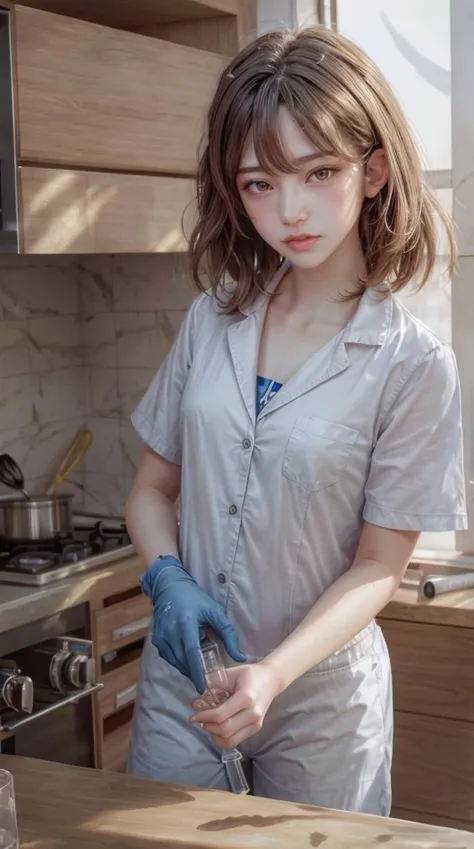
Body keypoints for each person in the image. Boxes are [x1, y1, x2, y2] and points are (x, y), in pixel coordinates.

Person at [125, 25, 467, 815]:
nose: (292, 211)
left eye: (320, 173)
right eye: (259, 184)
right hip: (189, 684)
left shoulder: (411, 363)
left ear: (373, 170)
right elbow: (150, 487)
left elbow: (380, 564)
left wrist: (274, 673)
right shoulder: (211, 320)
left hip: (320, 707)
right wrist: (166, 577)